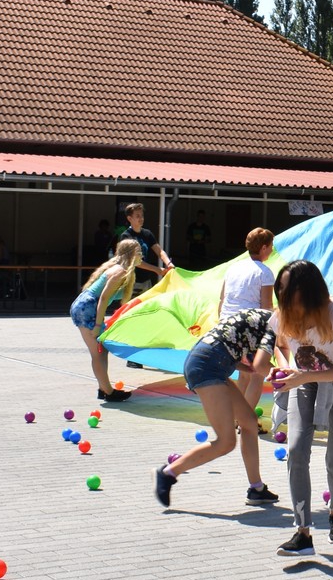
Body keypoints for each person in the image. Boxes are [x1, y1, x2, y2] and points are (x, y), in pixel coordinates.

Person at [268, 260, 333, 557]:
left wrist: (304, 376)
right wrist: (285, 368)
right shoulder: (281, 316)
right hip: (305, 381)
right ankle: (302, 533)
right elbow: (281, 346)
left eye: (287, 288)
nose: (281, 293)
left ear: (308, 290)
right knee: (296, 451)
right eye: (279, 287)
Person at [153, 306, 280, 510]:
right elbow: (261, 365)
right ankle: (168, 473)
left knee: (248, 422)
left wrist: (243, 366)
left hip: (210, 363)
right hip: (207, 368)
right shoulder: (276, 324)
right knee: (226, 442)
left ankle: (256, 489)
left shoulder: (266, 318)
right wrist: (291, 378)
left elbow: (226, 342)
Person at [72, 240, 142, 401]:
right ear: (131, 254)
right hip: (87, 308)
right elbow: (103, 299)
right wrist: (98, 325)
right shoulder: (120, 272)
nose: (141, 255)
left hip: (85, 306)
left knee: (101, 351)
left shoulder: (121, 271)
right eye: (139, 252)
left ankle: (103, 388)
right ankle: (108, 392)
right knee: (97, 353)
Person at [218, 228, 275, 317]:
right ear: (264, 248)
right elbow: (266, 308)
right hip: (248, 322)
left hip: (225, 321)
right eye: (271, 246)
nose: (272, 250)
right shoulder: (265, 272)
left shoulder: (232, 268)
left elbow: (222, 300)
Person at [118, 202, 174, 285]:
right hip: (132, 281)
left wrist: (169, 263)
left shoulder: (147, 234)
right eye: (137, 216)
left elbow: (159, 251)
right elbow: (135, 260)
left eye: (142, 215)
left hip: (146, 280)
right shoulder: (126, 236)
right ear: (129, 219)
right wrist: (156, 269)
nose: (141, 218)